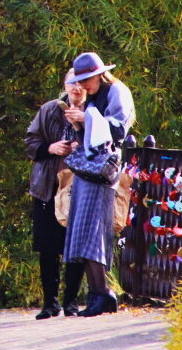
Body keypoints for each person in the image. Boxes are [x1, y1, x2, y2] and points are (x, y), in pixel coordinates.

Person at [62, 51, 135, 317]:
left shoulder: (117, 91)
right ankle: (98, 293)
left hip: (102, 170)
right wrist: (77, 115)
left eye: (86, 80)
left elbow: (118, 130)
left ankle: (102, 294)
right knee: (82, 231)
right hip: (86, 169)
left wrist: (87, 118)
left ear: (98, 74)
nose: (82, 85)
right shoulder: (90, 94)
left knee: (94, 231)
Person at [25, 68, 85, 319]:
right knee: (48, 248)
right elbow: (30, 142)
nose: (76, 87)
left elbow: (106, 145)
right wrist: (51, 147)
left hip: (80, 188)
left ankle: (71, 302)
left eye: (82, 82)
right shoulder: (49, 109)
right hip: (48, 188)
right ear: (65, 84)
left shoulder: (93, 112)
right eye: (72, 82)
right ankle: (50, 303)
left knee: (76, 247)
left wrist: (81, 131)